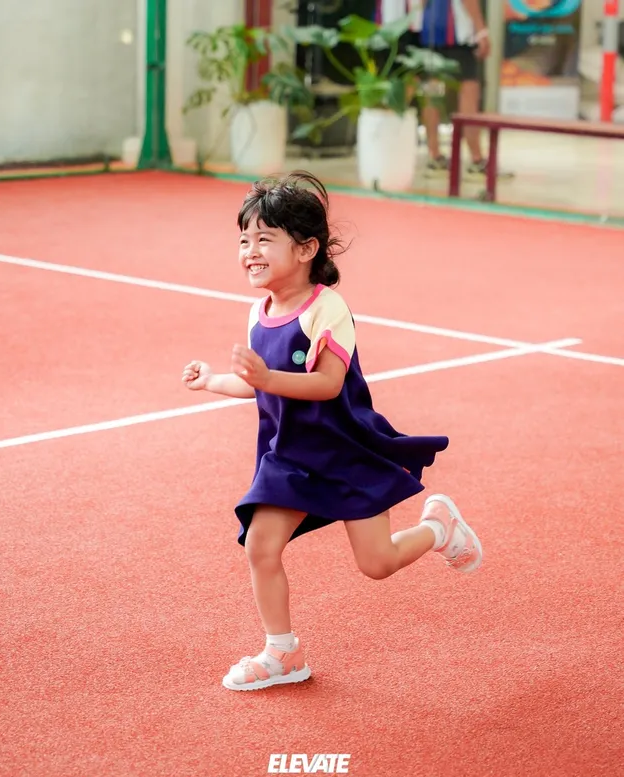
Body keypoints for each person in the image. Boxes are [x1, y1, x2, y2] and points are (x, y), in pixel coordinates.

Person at [182, 171, 483, 692]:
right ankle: (283, 653)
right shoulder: (259, 312)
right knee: (260, 544)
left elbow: (326, 384)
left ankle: (439, 528)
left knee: (378, 563)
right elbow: (260, 387)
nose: (250, 251)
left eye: (264, 239)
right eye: (243, 240)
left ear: (306, 248)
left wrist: (265, 377)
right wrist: (214, 381)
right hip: (288, 458)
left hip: (343, 452)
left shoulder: (328, 308)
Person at [418, 0, 513, 181]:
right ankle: (476, 158)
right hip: (456, 31)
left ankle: (434, 154)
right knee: (469, 89)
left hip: (430, 27)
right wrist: (480, 29)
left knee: (433, 89)